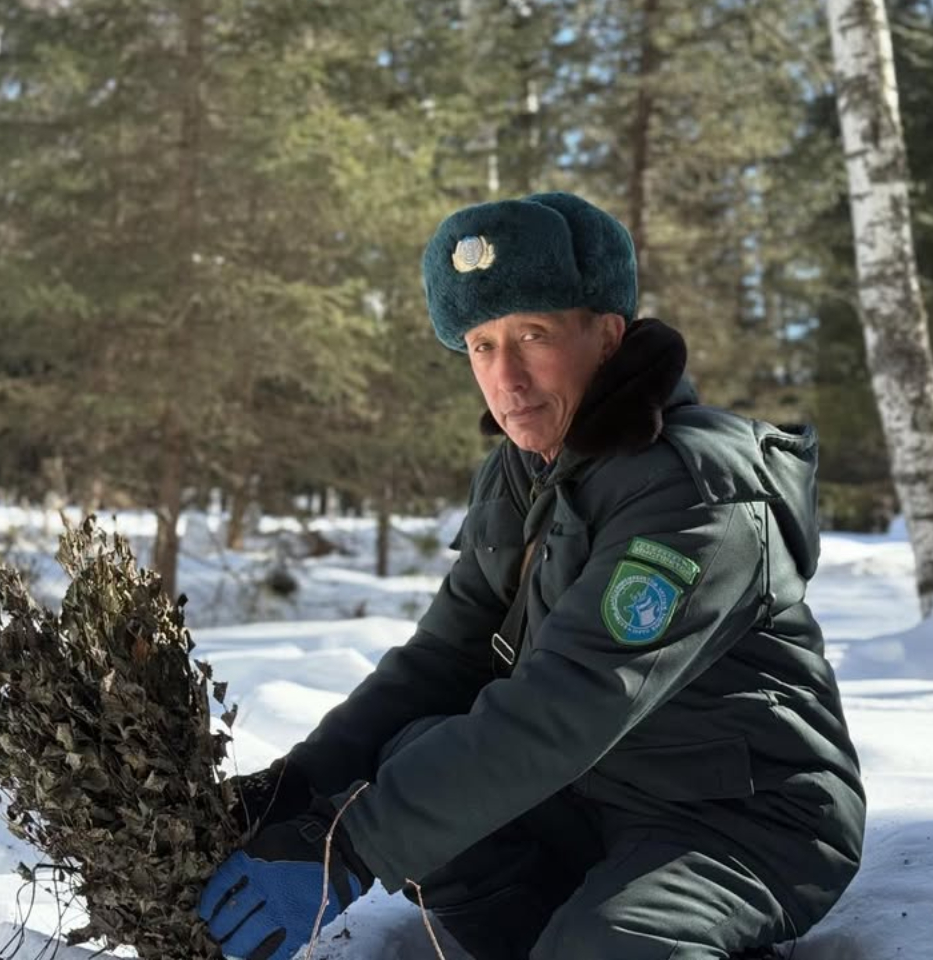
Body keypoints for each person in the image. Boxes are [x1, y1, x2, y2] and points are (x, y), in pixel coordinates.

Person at [196, 192, 865, 960]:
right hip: (590, 793)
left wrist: (351, 851)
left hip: (739, 817)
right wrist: (293, 792)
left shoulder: (695, 489)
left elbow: (566, 706)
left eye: (533, 336)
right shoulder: (521, 476)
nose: (506, 378)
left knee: (601, 945)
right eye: (481, 345)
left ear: (607, 336)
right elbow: (443, 661)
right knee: (414, 750)